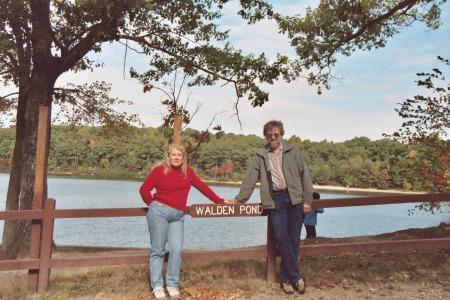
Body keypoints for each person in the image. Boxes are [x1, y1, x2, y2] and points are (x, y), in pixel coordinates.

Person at [139, 143, 234, 300]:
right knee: (158, 250)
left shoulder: (187, 172)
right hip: (159, 213)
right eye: (173, 154)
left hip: (178, 216)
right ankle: (157, 285)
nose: (176, 157)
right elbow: (144, 190)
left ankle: (171, 283)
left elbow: (202, 187)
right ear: (168, 155)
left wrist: (219, 200)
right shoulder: (160, 170)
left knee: (176, 250)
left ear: (183, 158)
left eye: (179, 155)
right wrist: (154, 206)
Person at [233, 120, 314, 295]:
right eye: (269, 134)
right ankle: (296, 277)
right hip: (275, 200)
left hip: (296, 199)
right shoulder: (261, 154)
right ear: (266, 136)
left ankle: (286, 279)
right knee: (281, 238)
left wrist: (307, 200)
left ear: (281, 135)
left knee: (293, 240)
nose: (273, 137)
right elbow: (250, 178)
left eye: (276, 134)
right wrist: (239, 200)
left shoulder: (293, 151)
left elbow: (305, 176)